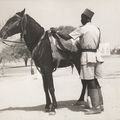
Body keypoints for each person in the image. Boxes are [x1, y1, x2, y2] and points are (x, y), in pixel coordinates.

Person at [51, 8, 104, 115]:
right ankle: (100, 104)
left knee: (90, 81)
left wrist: (56, 32)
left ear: (86, 18)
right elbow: (98, 43)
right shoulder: (97, 29)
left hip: (87, 55)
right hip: (96, 55)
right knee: (95, 80)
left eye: (82, 18)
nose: (81, 20)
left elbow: (66, 37)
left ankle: (95, 107)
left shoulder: (83, 29)